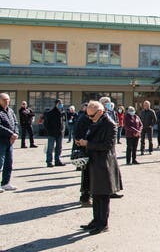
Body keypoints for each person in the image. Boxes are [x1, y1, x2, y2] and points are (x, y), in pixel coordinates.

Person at [77, 101, 123, 235]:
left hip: (104, 164)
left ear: (100, 112)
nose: (90, 118)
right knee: (95, 193)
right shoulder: (95, 122)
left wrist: (88, 143)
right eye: (88, 116)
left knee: (103, 195)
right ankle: (96, 220)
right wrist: (81, 143)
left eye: (92, 116)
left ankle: (103, 223)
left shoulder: (110, 125)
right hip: (94, 162)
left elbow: (107, 146)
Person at [0, 93, 19, 192]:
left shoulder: (10, 111)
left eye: (8, 100)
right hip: (1, 141)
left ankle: (5, 183)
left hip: (10, 142)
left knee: (9, 162)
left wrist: (16, 133)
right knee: (0, 162)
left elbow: (15, 123)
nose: (7, 101)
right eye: (4, 100)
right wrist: (11, 134)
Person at [74, 103, 92, 206]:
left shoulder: (88, 118)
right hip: (87, 150)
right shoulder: (84, 119)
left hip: (91, 149)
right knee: (87, 175)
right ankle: (85, 197)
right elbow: (77, 136)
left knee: (89, 175)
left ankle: (87, 196)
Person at [44, 99, 66, 167]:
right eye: (59, 104)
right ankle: (49, 161)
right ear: (56, 104)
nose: (61, 105)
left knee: (59, 148)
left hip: (59, 133)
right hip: (52, 133)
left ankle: (57, 161)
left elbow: (63, 122)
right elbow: (46, 123)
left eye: (61, 104)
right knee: (50, 148)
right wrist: (49, 131)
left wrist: (63, 130)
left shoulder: (62, 113)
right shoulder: (50, 112)